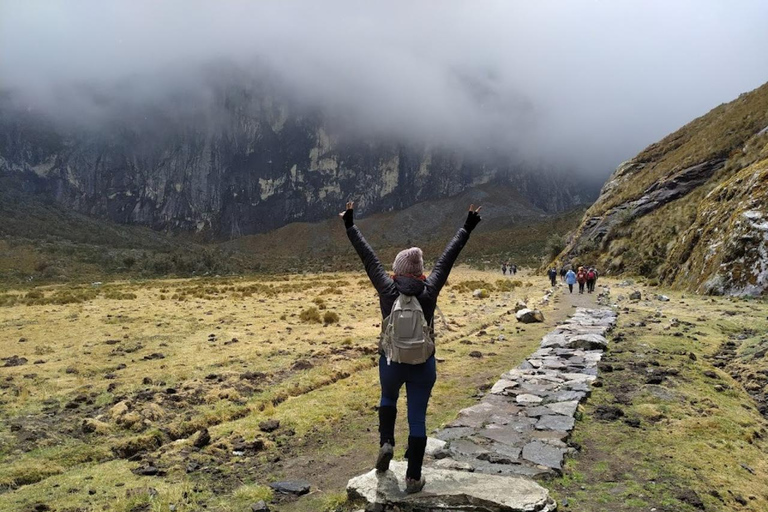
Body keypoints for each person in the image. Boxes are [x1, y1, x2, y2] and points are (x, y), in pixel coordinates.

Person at [341, 201, 482, 494]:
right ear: (419, 272)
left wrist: (350, 225)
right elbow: (448, 258)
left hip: (391, 361)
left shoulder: (387, 289)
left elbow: (368, 258)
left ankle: (386, 443)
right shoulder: (429, 290)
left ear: (396, 271)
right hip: (423, 364)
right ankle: (413, 478)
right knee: (417, 417)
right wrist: (467, 225)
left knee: (387, 398)